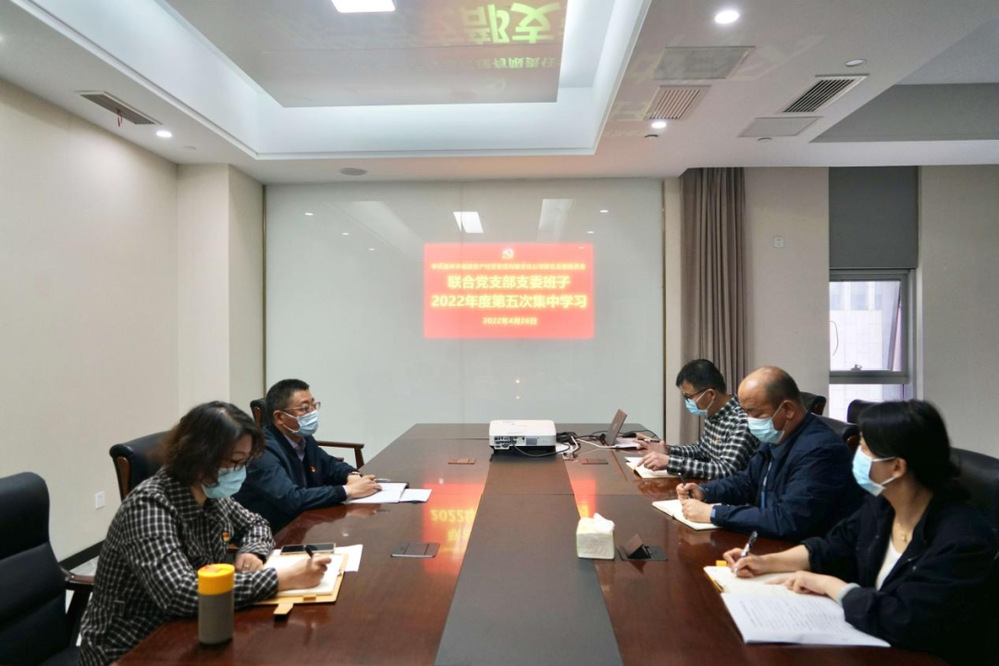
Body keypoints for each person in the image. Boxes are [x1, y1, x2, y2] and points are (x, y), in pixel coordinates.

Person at [722, 401, 998, 664]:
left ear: (897, 467)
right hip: (872, 644)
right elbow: (832, 546)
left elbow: (906, 619)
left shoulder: (962, 538)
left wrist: (831, 587)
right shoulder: (882, 506)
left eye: (865, 450)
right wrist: (766, 562)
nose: (857, 457)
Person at [80, 402, 330, 665]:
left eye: (245, 462)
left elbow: (256, 524)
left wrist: (252, 552)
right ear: (199, 456)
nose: (241, 471)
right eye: (236, 462)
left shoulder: (211, 492)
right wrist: (281, 579)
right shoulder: (149, 506)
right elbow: (180, 593)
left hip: (194, 626)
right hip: (131, 648)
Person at [677, 366, 862, 540]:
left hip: (804, 551)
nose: (749, 421)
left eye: (755, 414)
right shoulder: (779, 435)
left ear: (788, 410)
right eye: (745, 412)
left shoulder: (821, 450)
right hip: (771, 540)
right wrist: (705, 491)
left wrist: (714, 513)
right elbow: (747, 481)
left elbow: (787, 519)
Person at [234, 379, 380, 531]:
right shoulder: (262, 451)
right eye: (304, 408)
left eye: (313, 405)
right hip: (267, 532)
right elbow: (291, 499)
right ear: (279, 417)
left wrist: (352, 475)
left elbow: (330, 465)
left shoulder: (302, 438)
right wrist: (347, 491)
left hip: (301, 522)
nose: (312, 412)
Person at [637, 359, 758, 479]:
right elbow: (701, 451)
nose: (688, 401)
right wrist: (668, 450)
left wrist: (670, 462)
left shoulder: (741, 421)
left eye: (689, 396)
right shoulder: (713, 412)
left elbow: (725, 470)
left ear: (710, 394)